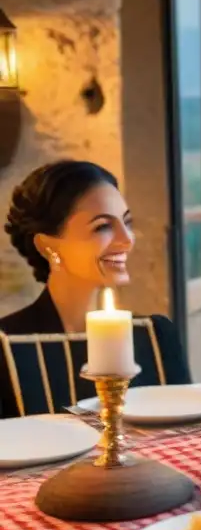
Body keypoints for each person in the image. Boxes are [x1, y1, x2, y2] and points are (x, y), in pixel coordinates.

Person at [1, 160, 189, 418]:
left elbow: (191, 435)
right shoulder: (6, 346)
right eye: (102, 226)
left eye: (127, 222)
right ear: (47, 246)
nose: (127, 240)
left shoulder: (156, 336)